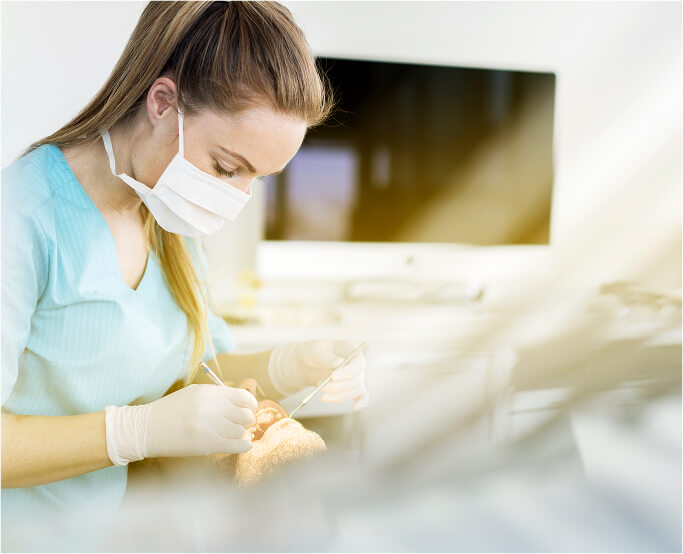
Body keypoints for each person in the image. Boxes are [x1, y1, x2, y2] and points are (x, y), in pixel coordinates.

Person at [1, 0, 368, 526]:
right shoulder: (22, 218)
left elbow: (194, 371)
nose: (236, 197)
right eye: (226, 167)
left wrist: (286, 365)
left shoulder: (166, 213)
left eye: (256, 179)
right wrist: (134, 431)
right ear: (162, 102)